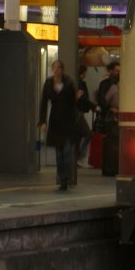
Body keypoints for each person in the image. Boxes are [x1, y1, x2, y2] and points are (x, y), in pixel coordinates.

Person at [38, 60, 78, 191]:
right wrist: (42, 121)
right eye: (54, 67)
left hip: (68, 119)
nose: (56, 70)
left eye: (59, 67)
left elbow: (74, 102)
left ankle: (65, 178)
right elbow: (44, 102)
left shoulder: (68, 82)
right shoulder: (48, 83)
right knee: (58, 153)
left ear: (62, 69)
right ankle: (62, 178)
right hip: (55, 120)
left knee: (66, 151)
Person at [76, 64, 96, 166]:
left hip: (79, 111)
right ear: (82, 72)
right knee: (87, 134)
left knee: (79, 135)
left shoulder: (79, 83)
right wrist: (94, 106)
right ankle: (79, 157)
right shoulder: (80, 83)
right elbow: (83, 98)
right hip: (78, 111)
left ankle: (76, 158)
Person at [96, 61, 120, 135]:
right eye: (117, 71)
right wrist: (110, 108)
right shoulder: (104, 84)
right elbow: (101, 99)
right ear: (110, 71)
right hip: (108, 115)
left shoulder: (121, 83)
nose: (119, 73)